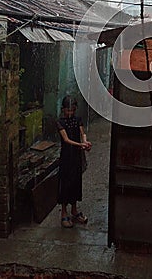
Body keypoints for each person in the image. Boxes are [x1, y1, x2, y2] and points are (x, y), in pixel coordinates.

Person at [56, 95, 92, 228]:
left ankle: (74, 210)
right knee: (65, 183)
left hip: (76, 157)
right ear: (63, 109)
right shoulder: (60, 122)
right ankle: (64, 212)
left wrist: (85, 142)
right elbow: (66, 140)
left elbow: (82, 133)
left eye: (72, 110)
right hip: (66, 157)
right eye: (67, 110)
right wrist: (80, 145)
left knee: (76, 182)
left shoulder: (78, 120)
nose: (70, 113)